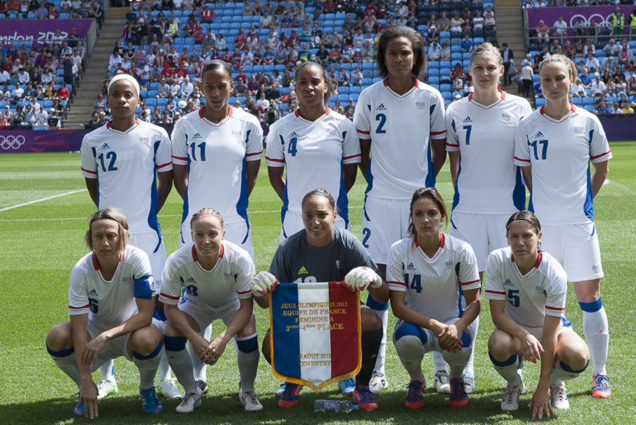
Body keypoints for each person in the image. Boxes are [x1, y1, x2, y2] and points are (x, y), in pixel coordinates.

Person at [353, 25, 447, 394]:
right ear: (383, 57)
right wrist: (380, 181)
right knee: (378, 285)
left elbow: (439, 149)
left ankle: (442, 368)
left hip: (419, 205)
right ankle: (375, 369)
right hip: (380, 204)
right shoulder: (369, 96)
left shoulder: (432, 98)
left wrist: (422, 187)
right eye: (392, 53)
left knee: (434, 282)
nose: (399, 59)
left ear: (416, 57)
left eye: (406, 53)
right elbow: (361, 151)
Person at [514, 54, 612, 399]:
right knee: (539, 303)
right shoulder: (528, 125)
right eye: (546, 79)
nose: (553, 86)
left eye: (559, 78)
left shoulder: (588, 122)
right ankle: (531, 374)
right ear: (538, 82)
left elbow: (601, 171)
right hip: (542, 229)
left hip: (579, 223)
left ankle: (599, 374)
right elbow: (527, 175)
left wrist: (584, 202)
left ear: (572, 78)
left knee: (589, 297)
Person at [80, 74, 179, 400]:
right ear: (107, 100)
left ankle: (165, 378)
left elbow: (166, 180)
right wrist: (112, 223)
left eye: (128, 95)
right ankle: (107, 377)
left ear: (138, 100)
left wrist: (147, 213)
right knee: (107, 304)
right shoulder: (93, 140)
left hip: (147, 234)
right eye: (115, 95)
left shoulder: (156, 135)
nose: (122, 100)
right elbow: (94, 187)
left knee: (160, 306)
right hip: (110, 235)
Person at [443, 42, 532, 395]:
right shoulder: (455, 110)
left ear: (500, 71)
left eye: (490, 68)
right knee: (469, 294)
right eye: (478, 67)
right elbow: (454, 162)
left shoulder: (520, 108)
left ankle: (518, 365)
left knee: (514, 291)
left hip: (508, 213)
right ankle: (464, 370)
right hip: (468, 212)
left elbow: (525, 162)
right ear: (470, 70)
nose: (484, 73)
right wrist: (466, 195)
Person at [249, 189, 389, 410]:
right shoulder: (289, 248)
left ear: (334, 215)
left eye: (322, 214)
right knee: (269, 342)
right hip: (302, 320)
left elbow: (383, 296)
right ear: (302, 217)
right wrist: (259, 290)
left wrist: (375, 281)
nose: (315, 221)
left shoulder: (349, 244)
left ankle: (361, 386)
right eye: (308, 215)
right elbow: (268, 304)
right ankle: (294, 380)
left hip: (341, 320)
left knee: (371, 319)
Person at [45, 208, 164, 418]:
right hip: (95, 329)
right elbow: (79, 328)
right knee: (56, 336)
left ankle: (147, 388)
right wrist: (85, 379)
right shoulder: (81, 270)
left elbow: (146, 315)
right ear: (90, 239)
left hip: (132, 329)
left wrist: (106, 336)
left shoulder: (137, 259)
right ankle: (86, 390)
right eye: (98, 236)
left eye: (111, 236)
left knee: (147, 339)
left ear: (123, 238)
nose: (105, 243)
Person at [485, 211, 591, 417]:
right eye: (514, 236)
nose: (520, 242)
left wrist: (543, 388)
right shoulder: (497, 260)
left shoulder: (553, 271)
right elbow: (497, 315)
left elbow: (550, 334)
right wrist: (524, 335)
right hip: (514, 331)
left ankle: (555, 382)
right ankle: (515, 384)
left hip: (551, 330)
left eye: (527, 235)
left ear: (539, 237)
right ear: (507, 238)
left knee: (579, 356)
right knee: (497, 345)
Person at [159, 208, 262, 413]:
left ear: (223, 234)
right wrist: (195, 339)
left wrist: (222, 340)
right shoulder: (177, 261)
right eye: (199, 235)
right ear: (192, 235)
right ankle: (191, 392)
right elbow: (170, 308)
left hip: (232, 303)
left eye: (212, 234)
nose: (206, 241)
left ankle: (247, 390)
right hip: (197, 304)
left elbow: (246, 306)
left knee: (247, 329)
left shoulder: (239, 257)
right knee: (172, 332)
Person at [388, 188, 481, 409]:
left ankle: (456, 378)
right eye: (418, 214)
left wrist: (458, 326)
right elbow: (398, 307)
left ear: (442, 215)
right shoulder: (399, 251)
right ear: (411, 217)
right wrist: (434, 325)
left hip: (452, 326)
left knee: (462, 345)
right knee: (407, 341)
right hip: (417, 326)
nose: (425, 220)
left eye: (432, 213)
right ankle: (416, 380)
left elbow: (474, 303)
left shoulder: (461, 250)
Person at [172, 60, 263, 257]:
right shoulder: (184, 125)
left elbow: (251, 176)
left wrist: (233, 206)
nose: (215, 93)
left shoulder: (249, 124)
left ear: (231, 86)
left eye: (222, 86)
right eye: (209, 87)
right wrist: (198, 208)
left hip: (235, 221)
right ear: (200, 88)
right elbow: (179, 177)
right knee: (193, 285)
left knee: (242, 285)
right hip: (195, 220)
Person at [265, 61, 360, 241]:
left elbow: (350, 175)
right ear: (295, 88)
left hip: (334, 216)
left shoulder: (344, 126)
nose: (309, 87)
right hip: (294, 218)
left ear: (326, 86)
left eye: (315, 82)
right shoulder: (280, 128)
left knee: (338, 269)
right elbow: (275, 177)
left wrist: (330, 204)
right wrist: (295, 203)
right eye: (302, 82)